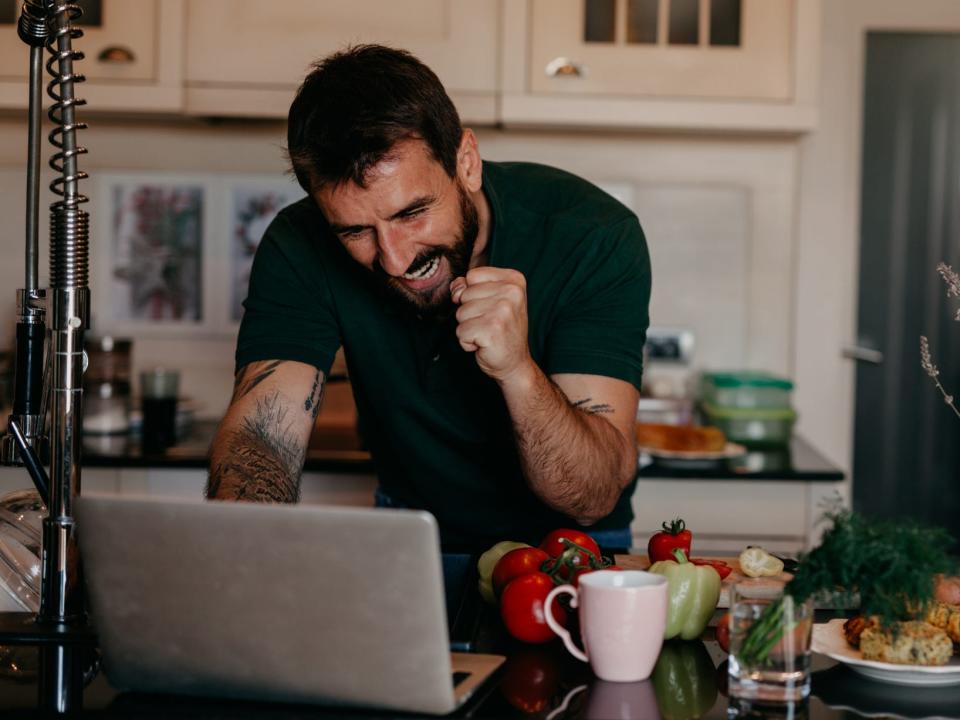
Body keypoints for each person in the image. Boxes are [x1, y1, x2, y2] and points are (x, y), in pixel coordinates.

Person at [207, 45, 652, 551]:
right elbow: (263, 440)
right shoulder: (301, 243)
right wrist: (237, 562)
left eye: (411, 213)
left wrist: (517, 370)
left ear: (466, 163)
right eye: (356, 231)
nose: (394, 260)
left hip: (572, 543)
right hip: (412, 530)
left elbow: (590, 496)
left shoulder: (591, 235)